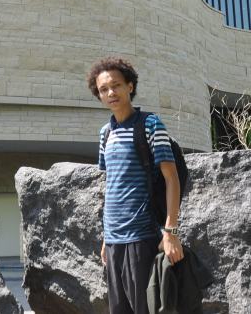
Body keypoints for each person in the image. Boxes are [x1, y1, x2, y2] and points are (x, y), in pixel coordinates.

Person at [87, 56, 184, 314]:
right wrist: (106, 237)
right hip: (114, 241)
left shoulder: (150, 125)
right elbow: (111, 184)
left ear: (130, 86)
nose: (110, 92)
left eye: (116, 85)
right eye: (103, 89)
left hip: (142, 238)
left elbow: (171, 178)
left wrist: (171, 232)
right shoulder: (105, 133)